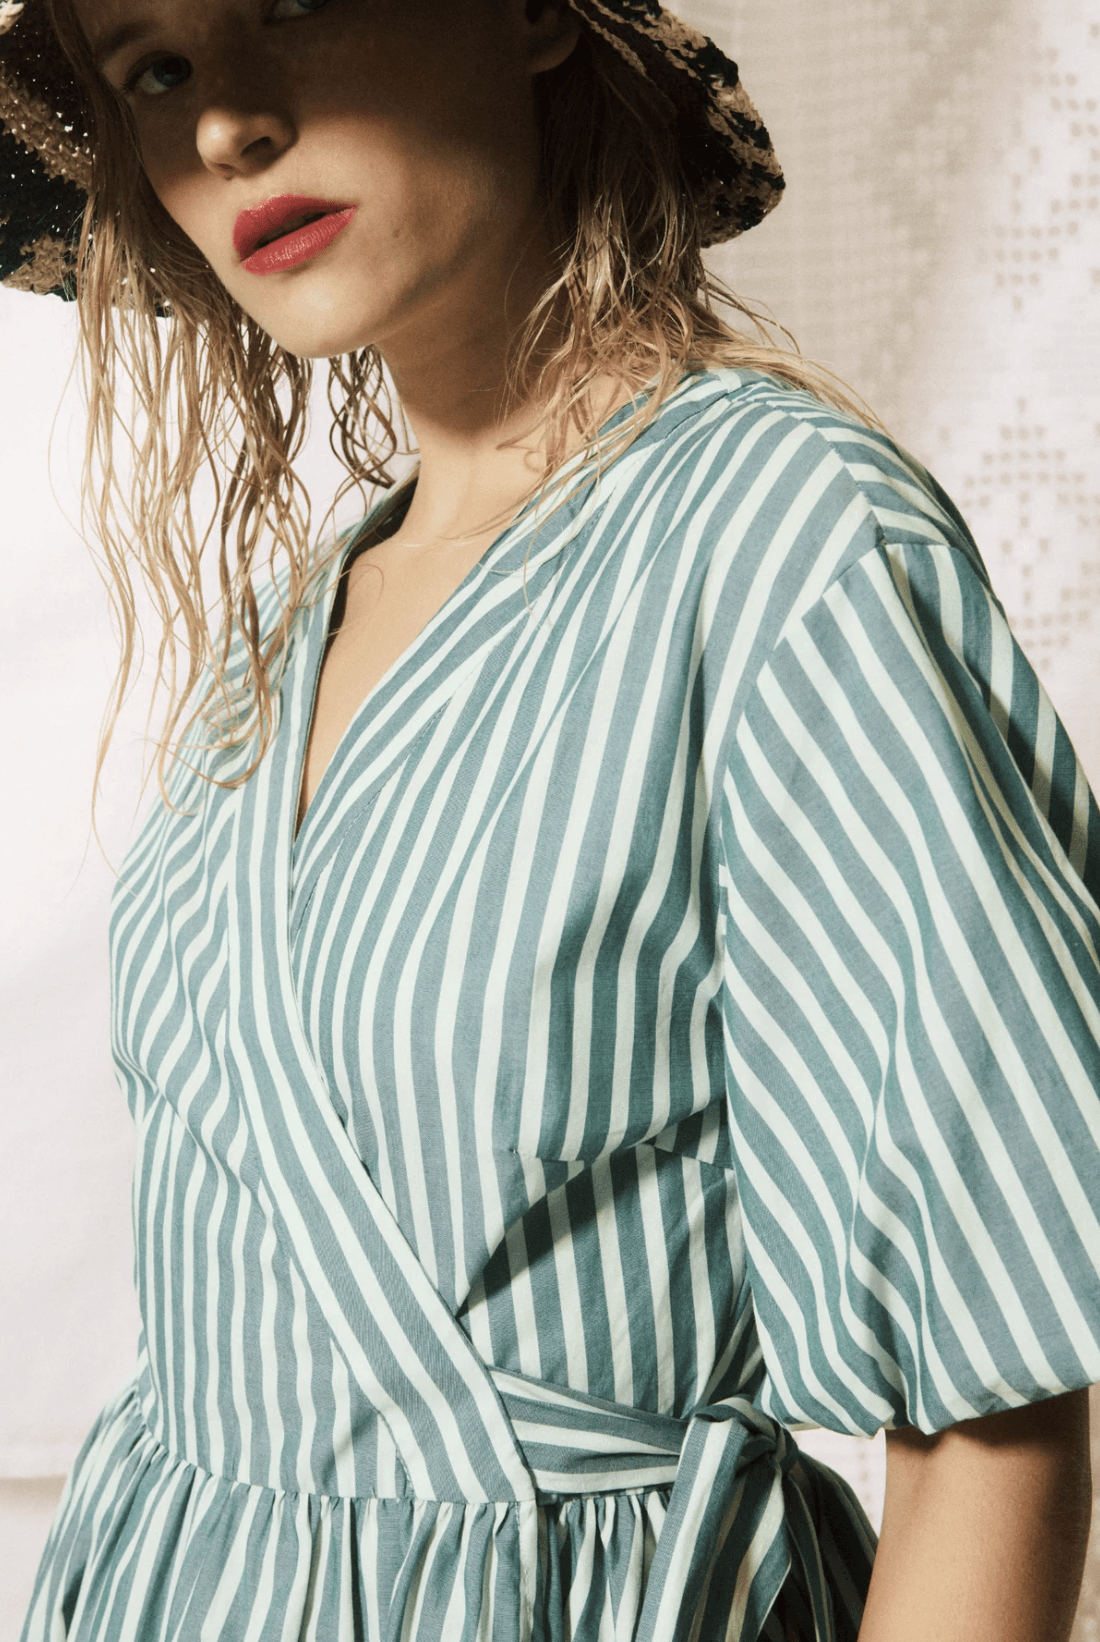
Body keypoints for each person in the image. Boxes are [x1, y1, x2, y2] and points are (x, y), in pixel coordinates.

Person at [1, 0, 1096, 1637]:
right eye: (153, 69)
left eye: (290, 5)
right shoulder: (283, 632)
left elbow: (994, 1420)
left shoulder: (786, 542)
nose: (224, 125)